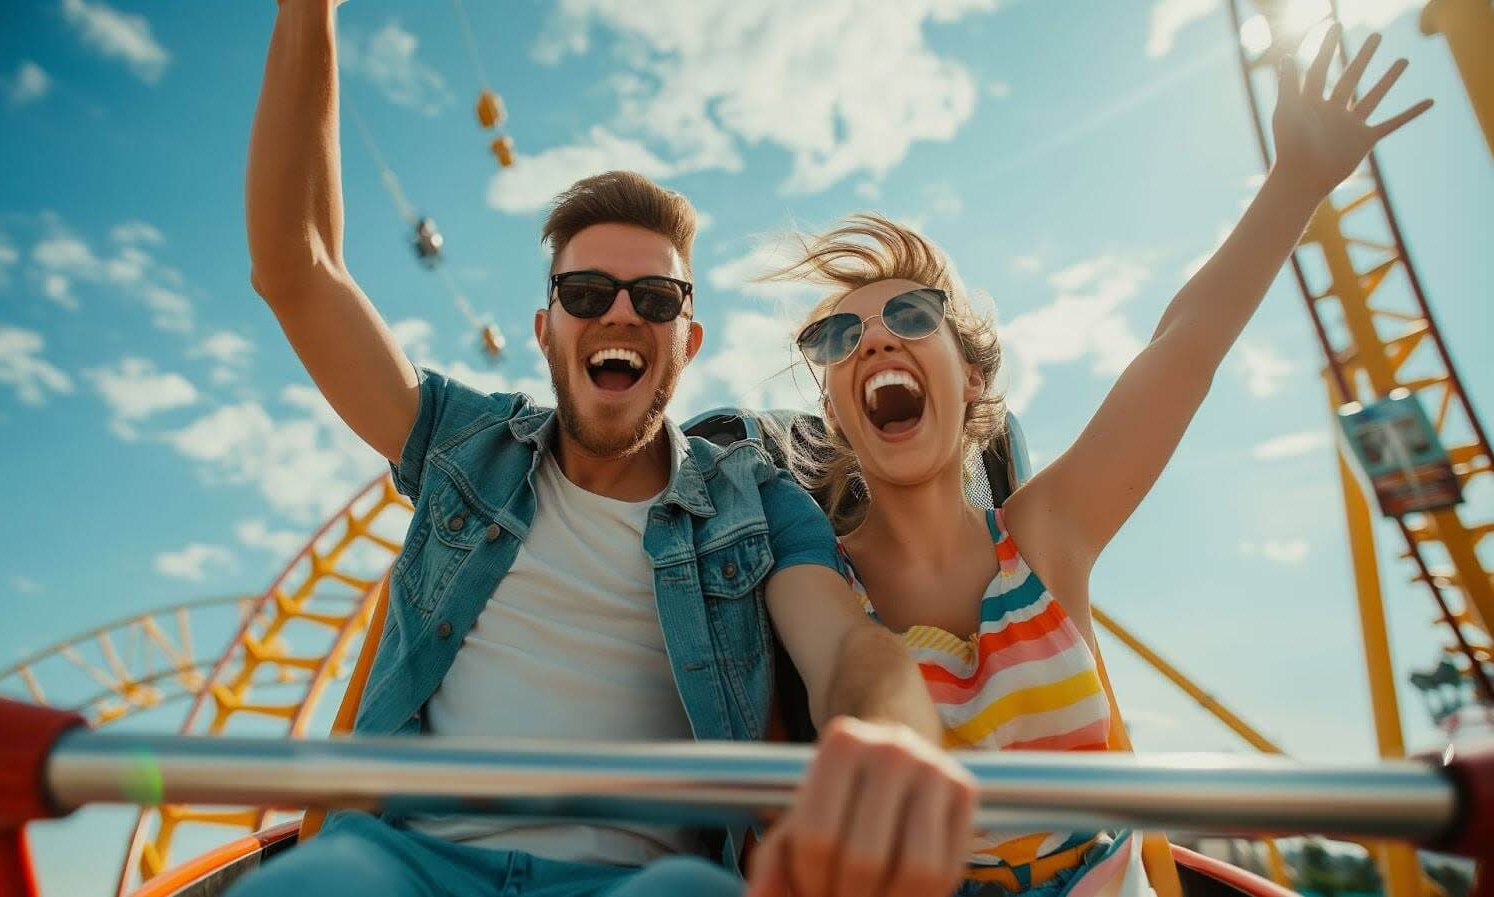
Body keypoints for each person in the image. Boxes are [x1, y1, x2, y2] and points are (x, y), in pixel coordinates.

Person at [233, 2, 978, 896]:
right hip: (411, 865)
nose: (621, 312)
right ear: (546, 331)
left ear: (687, 340)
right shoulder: (463, 444)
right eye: (588, 292)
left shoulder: (752, 497)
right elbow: (296, 266)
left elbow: (848, 647)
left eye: (656, 299)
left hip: (639, 881)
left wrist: (890, 736)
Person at [752, 26, 1431, 897]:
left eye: (913, 315)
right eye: (838, 336)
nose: (874, 336)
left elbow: (1183, 347)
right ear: (837, 408)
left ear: (975, 374)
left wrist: (1295, 181)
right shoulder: (825, 585)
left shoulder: (1046, 532)